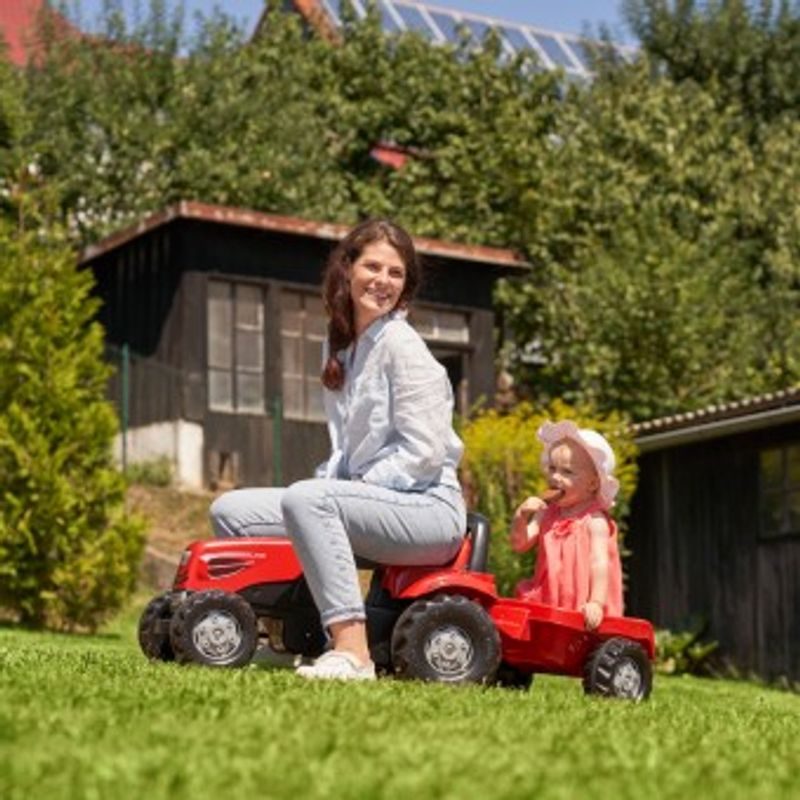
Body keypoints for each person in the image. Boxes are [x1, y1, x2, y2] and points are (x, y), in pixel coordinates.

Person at [210, 219, 466, 681]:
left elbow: (424, 453)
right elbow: (342, 453)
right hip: (375, 499)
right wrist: (339, 487)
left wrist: (348, 491)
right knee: (232, 511)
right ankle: (284, 636)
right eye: (373, 266)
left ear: (406, 286)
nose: (382, 281)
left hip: (428, 509)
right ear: (347, 269)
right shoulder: (343, 346)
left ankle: (353, 653)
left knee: (310, 498)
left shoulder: (403, 347)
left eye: (396, 273)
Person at [509, 421, 622, 630]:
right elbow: (520, 544)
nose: (555, 477)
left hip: (582, 606)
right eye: (552, 468)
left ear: (593, 484)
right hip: (549, 600)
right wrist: (520, 517)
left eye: (567, 472)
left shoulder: (595, 520)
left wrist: (596, 602)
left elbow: (600, 563)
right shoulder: (546, 512)